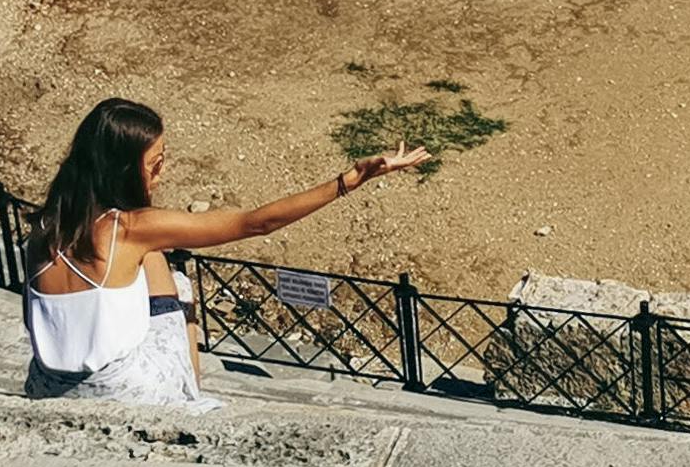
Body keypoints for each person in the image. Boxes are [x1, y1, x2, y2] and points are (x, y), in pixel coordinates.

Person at [23, 97, 429, 407]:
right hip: (121, 390)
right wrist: (350, 180)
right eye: (155, 164)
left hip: (45, 385)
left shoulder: (43, 228)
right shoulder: (130, 230)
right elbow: (254, 223)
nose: (161, 173)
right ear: (124, 170)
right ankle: (190, 399)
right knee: (176, 283)